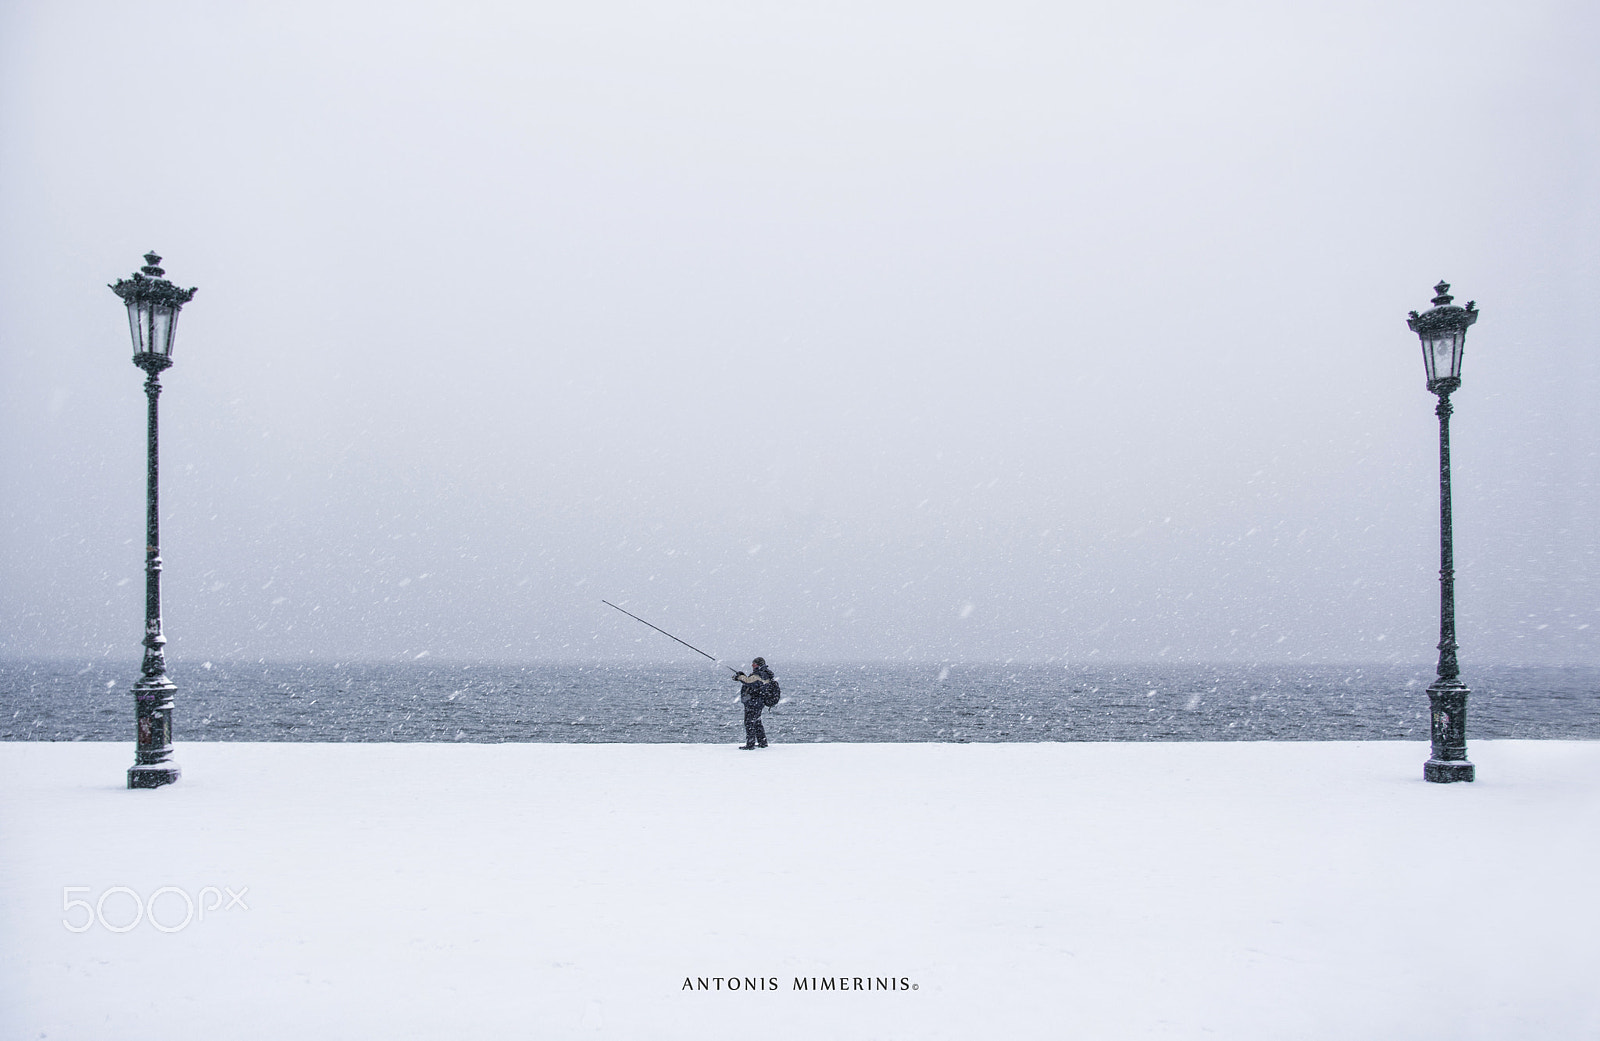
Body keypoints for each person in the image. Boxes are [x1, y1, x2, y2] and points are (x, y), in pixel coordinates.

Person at [733, 657, 780, 750]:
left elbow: (749, 681)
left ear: (758, 664)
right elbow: (751, 681)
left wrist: (739, 677)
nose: (752, 665)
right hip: (758, 702)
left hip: (754, 702)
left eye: (753, 664)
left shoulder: (760, 673)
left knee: (749, 722)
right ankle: (762, 742)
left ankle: (750, 744)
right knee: (757, 722)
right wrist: (742, 676)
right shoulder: (764, 673)